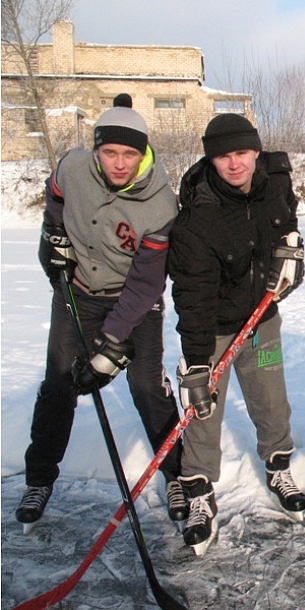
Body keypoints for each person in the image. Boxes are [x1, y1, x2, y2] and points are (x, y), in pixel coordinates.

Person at [17, 106, 186, 531]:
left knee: (146, 385)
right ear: (96, 151)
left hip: (134, 301)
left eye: (129, 154)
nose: (119, 163)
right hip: (76, 293)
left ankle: (177, 475)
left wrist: (110, 346)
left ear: (143, 154)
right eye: (109, 152)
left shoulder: (162, 205)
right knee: (59, 382)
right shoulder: (73, 167)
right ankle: (39, 478)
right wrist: (52, 232)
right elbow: (54, 194)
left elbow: (147, 284)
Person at [168, 113, 305, 555]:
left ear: (255, 151)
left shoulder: (275, 184)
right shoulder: (197, 219)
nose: (235, 164)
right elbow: (192, 295)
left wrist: (292, 260)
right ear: (210, 159)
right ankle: (198, 489)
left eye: (242, 153)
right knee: (203, 409)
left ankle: (278, 463)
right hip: (213, 331)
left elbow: (288, 225)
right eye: (224, 156)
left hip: (263, 323)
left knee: (270, 395)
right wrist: (194, 362)